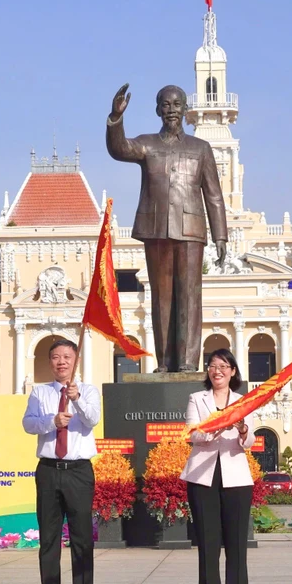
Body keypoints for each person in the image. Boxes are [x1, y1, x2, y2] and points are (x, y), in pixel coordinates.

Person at [106, 83, 228, 372]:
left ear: (185, 110)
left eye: (176, 104)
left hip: (191, 229)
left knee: (189, 295)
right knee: (161, 297)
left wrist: (220, 235)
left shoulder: (201, 148)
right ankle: (164, 363)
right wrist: (116, 118)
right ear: (158, 110)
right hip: (156, 228)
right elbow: (119, 148)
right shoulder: (147, 144)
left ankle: (187, 363)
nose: (171, 109)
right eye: (165, 104)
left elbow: (213, 194)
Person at [22, 339, 101, 584]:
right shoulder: (40, 392)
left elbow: (92, 420)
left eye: (67, 356)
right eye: (56, 357)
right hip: (48, 469)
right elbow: (28, 424)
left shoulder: (89, 390)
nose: (61, 362)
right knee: (49, 536)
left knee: (81, 537)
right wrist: (50, 422)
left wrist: (76, 399)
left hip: (78, 471)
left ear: (75, 359)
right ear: (50, 362)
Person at [180, 348, 255, 584]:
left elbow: (250, 442)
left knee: (236, 542)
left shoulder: (243, 400)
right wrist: (217, 428)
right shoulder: (196, 398)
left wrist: (243, 429)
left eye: (223, 366)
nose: (217, 370)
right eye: (212, 365)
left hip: (236, 477)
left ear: (233, 371)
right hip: (203, 476)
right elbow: (193, 433)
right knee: (208, 542)